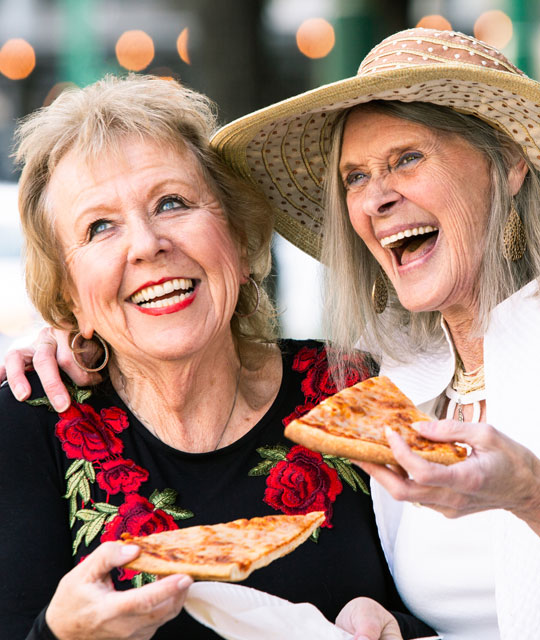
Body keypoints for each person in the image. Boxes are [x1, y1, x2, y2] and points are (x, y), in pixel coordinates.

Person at [0, 74, 436, 640]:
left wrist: (394, 629)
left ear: (238, 232)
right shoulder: (28, 424)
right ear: (67, 294)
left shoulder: (354, 391)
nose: (145, 244)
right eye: (100, 226)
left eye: (172, 203)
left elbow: (469, 597)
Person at [210, 27, 540, 640]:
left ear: (509, 163)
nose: (375, 199)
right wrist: (85, 346)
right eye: (355, 177)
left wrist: (530, 495)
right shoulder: (392, 375)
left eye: (407, 159)